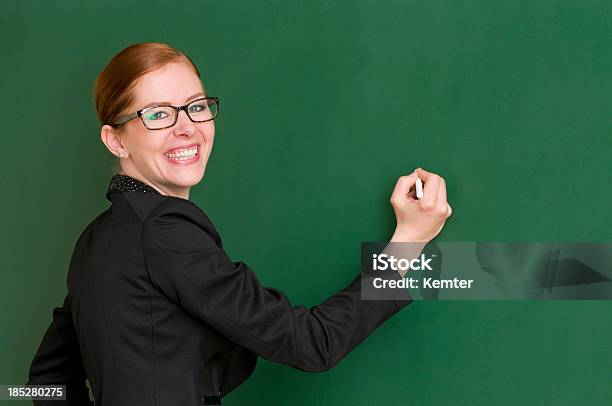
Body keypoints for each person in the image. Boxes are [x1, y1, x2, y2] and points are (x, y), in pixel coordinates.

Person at [26, 42, 452, 406]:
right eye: (158, 115)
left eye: (195, 107)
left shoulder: (96, 240)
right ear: (116, 139)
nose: (187, 128)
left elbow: (45, 384)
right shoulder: (162, 232)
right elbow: (311, 344)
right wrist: (407, 246)